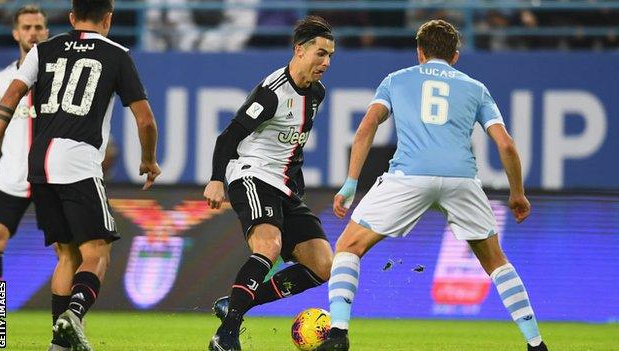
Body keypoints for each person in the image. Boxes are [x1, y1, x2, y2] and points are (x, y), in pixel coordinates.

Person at [317, 19, 548, 351]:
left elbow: (368, 125)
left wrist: (351, 183)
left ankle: (337, 333)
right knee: (496, 261)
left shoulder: (396, 80)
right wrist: (517, 193)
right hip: (461, 179)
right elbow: (507, 145)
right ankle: (536, 343)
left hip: (410, 175)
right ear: (455, 56)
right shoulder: (475, 88)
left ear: (419, 53)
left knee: (349, 246)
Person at [0, 1, 161, 350]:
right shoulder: (116, 54)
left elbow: (8, 101)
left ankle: (59, 344)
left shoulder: (43, 50)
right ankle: (74, 312)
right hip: (78, 162)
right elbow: (145, 119)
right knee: (97, 253)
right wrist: (148, 160)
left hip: (37, 164)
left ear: (71, 18)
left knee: (66, 254)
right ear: (109, 19)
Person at [203, 15, 335, 351]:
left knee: (323, 266)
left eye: (330, 55)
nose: (326, 62)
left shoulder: (317, 95)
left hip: (284, 187)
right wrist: (217, 179)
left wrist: (297, 189)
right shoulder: (273, 91)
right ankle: (227, 334)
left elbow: (295, 146)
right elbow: (228, 137)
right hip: (251, 174)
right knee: (269, 246)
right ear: (299, 50)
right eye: (320, 53)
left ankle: (236, 304)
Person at [0, 5, 48, 282]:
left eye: (38, 27)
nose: (33, 33)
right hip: (11, 176)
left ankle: (65, 323)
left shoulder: (57, 80)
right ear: (16, 33)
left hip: (50, 176)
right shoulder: (1, 81)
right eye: (27, 27)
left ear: (47, 31)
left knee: (67, 247)